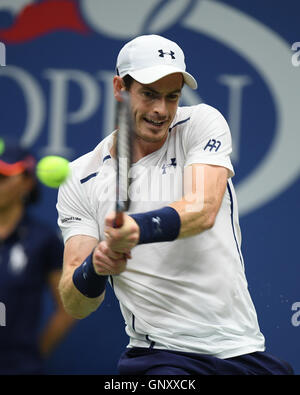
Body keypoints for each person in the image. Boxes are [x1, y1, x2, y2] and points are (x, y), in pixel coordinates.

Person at [57, 35, 293, 375]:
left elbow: (203, 208)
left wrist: (135, 229)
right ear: (119, 88)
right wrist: (96, 267)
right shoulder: (80, 177)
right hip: (161, 357)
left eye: (172, 97)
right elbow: (74, 302)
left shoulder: (201, 123)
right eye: (149, 94)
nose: (161, 110)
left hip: (243, 349)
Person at [0, 138, 75, 375]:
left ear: (27, 183)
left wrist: (32, 356)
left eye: (2, 177)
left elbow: (66, 310)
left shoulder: (43, 240)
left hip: (20, 367)